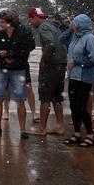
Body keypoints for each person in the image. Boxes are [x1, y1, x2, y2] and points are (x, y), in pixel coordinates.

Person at [0, 10, 35, 140]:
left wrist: (9, 54)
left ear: (9, 22)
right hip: (1, 69)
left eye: (2, 22)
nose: (0, 24)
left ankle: (23, 130)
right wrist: (2, 58)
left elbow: (25, 50)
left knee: (20, 100)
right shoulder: (0, 34)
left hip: (18, 69)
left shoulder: (22, 33)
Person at [60, 14, 94, 147]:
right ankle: (77, 133)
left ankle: (90, 134)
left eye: (75, 23)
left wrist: (76, 61)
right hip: (73, 76)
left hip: (85, 78)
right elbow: (61, 39)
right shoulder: (75, 37)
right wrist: (70, 29)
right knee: (74, 106)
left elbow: (93, 59)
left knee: (82, 107)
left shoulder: (90, 38)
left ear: (81, 25)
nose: (73, 25)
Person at [27, 8, 68, 136]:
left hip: (51, 66)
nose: (30, 23)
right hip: (61, 64)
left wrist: (43, 60)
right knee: (57, 97)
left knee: (45, 97)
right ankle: (59, 126)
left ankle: (42, 128)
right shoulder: (53, 26)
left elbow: (50, 44)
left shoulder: (43, 27)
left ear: (35, 17)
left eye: (30, 19)